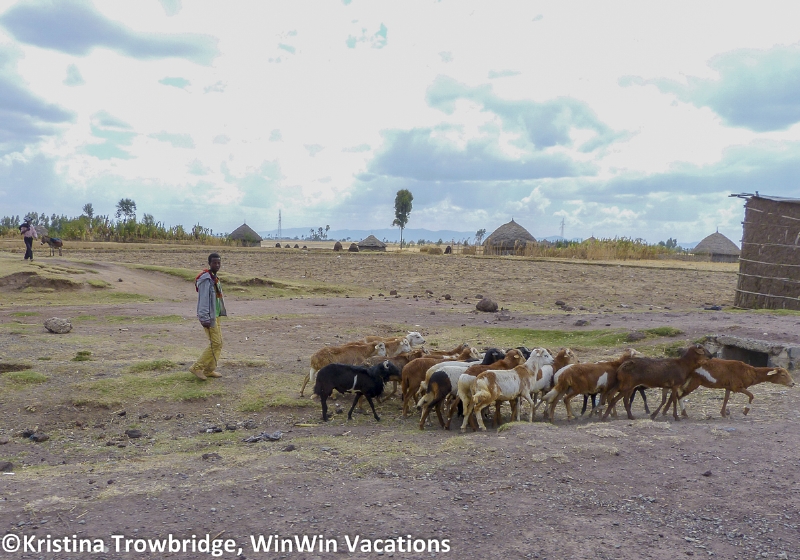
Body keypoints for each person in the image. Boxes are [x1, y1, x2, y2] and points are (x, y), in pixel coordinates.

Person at [190, 253, 227, 380]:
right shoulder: (206, 279)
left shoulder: (214, 277)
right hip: (209, 316)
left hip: (215, 314)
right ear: (209, 263)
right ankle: (197, 367)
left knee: (219, 343)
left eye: (219, 263)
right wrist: (204, 317)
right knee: (216, 343)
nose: (217, 265)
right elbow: (204, 299)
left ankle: (209, 370)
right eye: (214, 263)